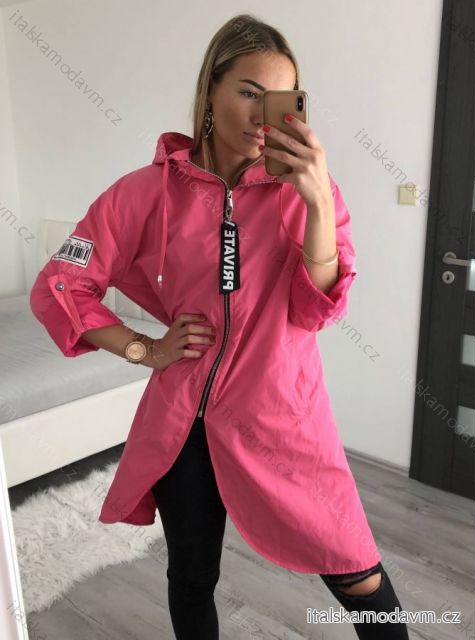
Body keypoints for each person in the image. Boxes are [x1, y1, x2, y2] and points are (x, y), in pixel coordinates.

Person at [29, 12, 410, 640]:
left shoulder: (306, 192)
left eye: (280, 99)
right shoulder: (145, 193)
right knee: (190, 578)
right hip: (185, 423)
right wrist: (145, 349)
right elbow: (62, 282)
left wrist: (317, 201)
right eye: (248, 92)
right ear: (211, 90)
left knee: (359, 574)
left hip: (285, 418)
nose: (263, 115)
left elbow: (317, 308)